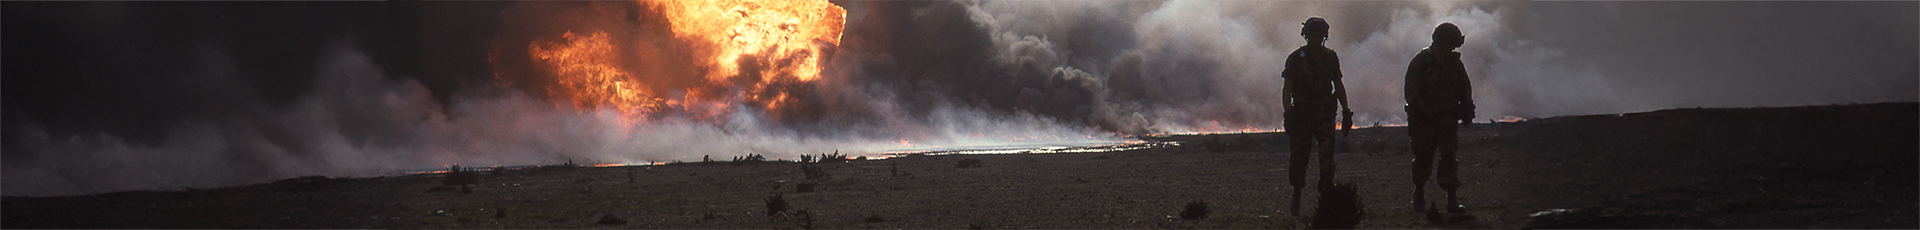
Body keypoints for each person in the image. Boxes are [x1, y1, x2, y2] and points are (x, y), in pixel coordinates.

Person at [1281, 16, 1352, 216]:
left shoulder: (1330, 57)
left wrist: (1346, 111)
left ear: (1324, 37)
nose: (1316, 39)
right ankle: (1297, 193)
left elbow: (1338, 85)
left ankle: (1326, 195)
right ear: (1306, 36)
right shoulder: (1296, 58)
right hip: (1302, 114)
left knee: (1327, 157)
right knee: (1299, 157)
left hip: (1324, 114)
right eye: (1313, 35)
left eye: (1319, 36)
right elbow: (1287, 89)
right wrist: (1288, 113)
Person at [1404, 22, 1474, 213]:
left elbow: (1464, 87)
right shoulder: (1420, 62)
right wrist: (1422, 110)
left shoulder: (1454, 63)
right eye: (1450, 44)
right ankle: (1419, 195)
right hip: (1423, 121)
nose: (1452, 49)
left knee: (1449, 157)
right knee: (1423, 158)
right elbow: (1411, 91)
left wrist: (1467, 107)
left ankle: (1451, 199)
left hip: (1447, 120)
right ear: (1441, 42)